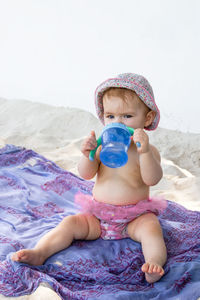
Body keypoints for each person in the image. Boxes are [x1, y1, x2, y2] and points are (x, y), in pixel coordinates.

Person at [12, 73, 167, 283]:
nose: (117, 123)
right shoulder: (103, 145)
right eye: (111, 117)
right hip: (98, 216)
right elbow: (86, 174)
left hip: (134, 218)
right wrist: (88, 155)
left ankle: (154, 263)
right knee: (69, 224)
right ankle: (40, 252)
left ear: (146, 119)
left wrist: (145, 153)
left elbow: (152, 179)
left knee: (151, 229)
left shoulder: (146, 151)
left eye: (127, 117)